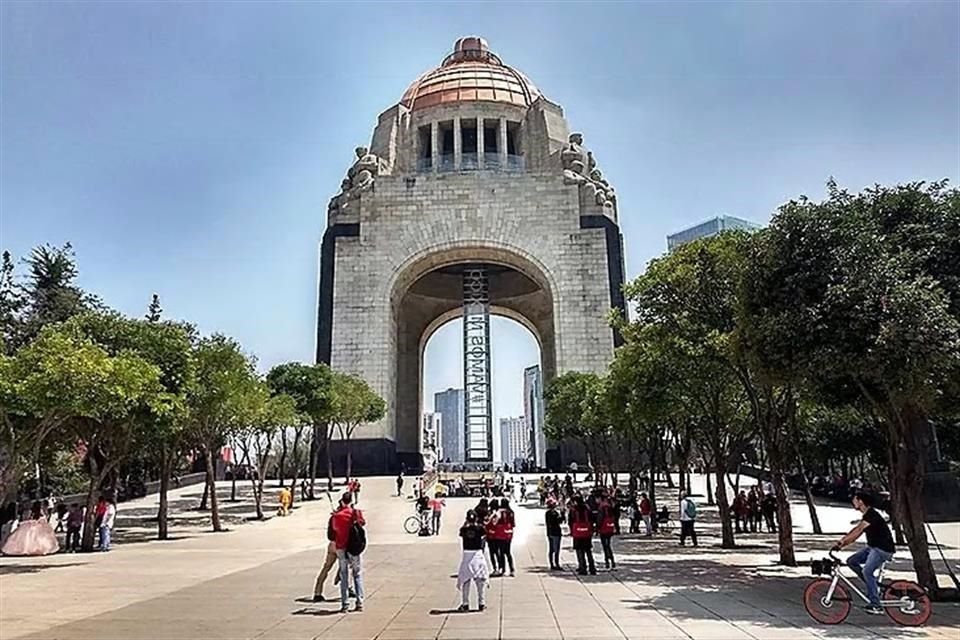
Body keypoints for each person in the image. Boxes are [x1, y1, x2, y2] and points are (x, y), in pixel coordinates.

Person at [833, 491, 896, 614]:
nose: (853, 502)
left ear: (861, 501)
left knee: (867, 571)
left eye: (855, 500)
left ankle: (876, 605)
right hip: (873, 547)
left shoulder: (871, 515)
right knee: (852, 561)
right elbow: (856, 530)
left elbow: (857, 532)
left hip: (882, 549)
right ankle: (872, 586)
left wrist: (841, 543)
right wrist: (842, 543)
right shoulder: (867, 515)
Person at [329, 492, 365, 613]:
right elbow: (362, 523)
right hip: (354, 547)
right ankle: (359, 602)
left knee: (344, 575)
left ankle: (345, 604)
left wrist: (335, 514)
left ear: (342, 501)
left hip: (341, 547)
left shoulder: (336, 516)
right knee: (357, 574)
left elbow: (333, 532)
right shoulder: (355, 513)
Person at [457, 509, 489, 612]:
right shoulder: (480, 528)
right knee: (480, 581)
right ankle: (481, 603)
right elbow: (484, 534)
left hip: (467, 555)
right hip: (477, 554)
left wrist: (466, 523)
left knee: (465, 580)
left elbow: (461, 532)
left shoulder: (464, 529)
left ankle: (465, 604)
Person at [569, 495, 596, 575]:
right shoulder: (587, 509)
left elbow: (570, 521)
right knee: (588, 551)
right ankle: (592, 568)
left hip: (577, 533)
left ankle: (582, 568)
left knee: (579, 551)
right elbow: (592, 519)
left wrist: (572, 531)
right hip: (587, 532)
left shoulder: (573, 510)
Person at [597, 493, 617, 570]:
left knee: (605, 546)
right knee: (608, 545)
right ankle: (612, 561)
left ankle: (607, 562)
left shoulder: (601, 507)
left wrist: (597, 527)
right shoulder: (609, 506)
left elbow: (600, 519)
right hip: (609, 527)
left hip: (603, 528)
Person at [498, 498, 516, 576]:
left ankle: (503, 569)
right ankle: (512, 569)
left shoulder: (499, 512)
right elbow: (513, 524)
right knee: (508, 552)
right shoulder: (511, 512)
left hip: (500, 533)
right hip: (508, 533)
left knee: (501, 552)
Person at [545, 497, 563, 570]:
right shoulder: (554, 513)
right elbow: (558, 521)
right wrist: (562, 515)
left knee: (551, 549)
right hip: (556, 532)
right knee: (556, 549)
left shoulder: (547, 513)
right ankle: (556, 563)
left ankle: (552, 564)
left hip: (550, 532)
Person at [485, 499, 503, 576]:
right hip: (497, 535)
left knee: (492, 552)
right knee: (496, 552)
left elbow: (492, 523)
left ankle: (496, 568)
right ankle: (499, 567)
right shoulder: (499, 512)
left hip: (492, 535)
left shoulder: (494, 514)